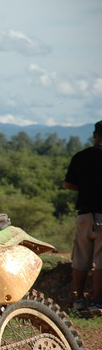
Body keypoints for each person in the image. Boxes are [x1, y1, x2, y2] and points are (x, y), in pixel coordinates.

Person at [64, 120, 102, 312]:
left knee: (80, 259)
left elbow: (68, 184)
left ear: (95, 135)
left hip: (84, 215)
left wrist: (86, 188)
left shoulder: (81, 156)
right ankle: (97, 301)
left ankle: (79, 299)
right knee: (100, 261)